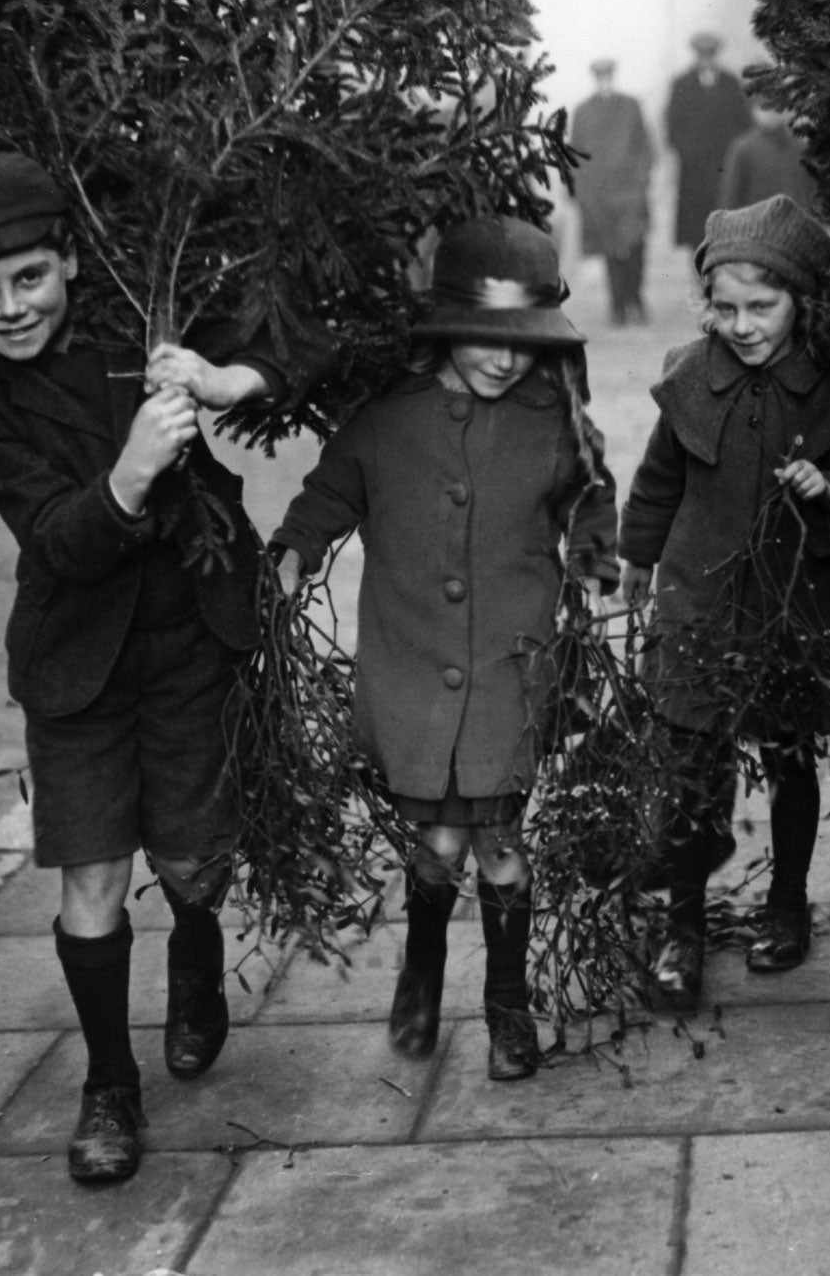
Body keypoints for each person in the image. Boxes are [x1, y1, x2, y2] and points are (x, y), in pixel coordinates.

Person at [0, 151, 322, 1184]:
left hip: (192, 632)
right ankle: (109, 1082)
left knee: (195, 855)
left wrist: (229, 378)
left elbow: (290, 339)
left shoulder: (142, 324)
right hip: (78, 663)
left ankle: (196, 951)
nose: (10, 306)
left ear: (68, 261)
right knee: (94, 869)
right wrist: (132, 472)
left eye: (29, 276)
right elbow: (59, 539)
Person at [271, 218, 618, 1082]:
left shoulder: (551, 419)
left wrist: (595, 554)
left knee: (499, 837)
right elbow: (327, 494)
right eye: (485, 340)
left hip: (513, 663)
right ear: (441, 327)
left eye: (523, 344)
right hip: (414, 659)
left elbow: (590, 498)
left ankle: (506, 1005)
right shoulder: (389, 416)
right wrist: (293, 553)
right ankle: (421, 973)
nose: (505, 360)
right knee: (436, 842)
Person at [617, 195, 830, 1008]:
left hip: (793, 604)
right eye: (726, 308)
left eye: (762, 307)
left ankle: (787, 903)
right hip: (701, 602)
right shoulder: (689, 377)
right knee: (691, 770)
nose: (741, 325)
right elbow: (659, 481)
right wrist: (638, 558)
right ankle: (682, 924)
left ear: (802, 303)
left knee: (788, 755)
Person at [569, 59, 655, 326]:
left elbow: (645, 146)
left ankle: (635, 298)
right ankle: (618, 305)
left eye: (608, 77)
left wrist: (642, 179)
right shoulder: (583, 111)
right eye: (600, 78)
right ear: (595, 80)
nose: (605, 82)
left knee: (636, 246)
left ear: (613, 77)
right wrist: (580, 190)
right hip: (600, 194)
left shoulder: (630, 106)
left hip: (630, 191)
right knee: (610, 250)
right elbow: (575, 154)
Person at [666, 32, 753, 255]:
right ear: (695, 56)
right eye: (701, 56)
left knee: (726, 226)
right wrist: (689, 152)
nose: (706, 61)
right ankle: (700, 279)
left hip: (726, 169)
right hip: (694, 173)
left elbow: (745, 124)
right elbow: (672, 129)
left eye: (710, 55)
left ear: (716, 56)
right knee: (696, 233)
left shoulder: (730, 83)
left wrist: (734, 155)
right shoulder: (681, 84)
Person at [718, 100, 816, 211]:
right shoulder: (743, 150)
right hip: (757, 226)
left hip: (798, 225)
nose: (772, 112)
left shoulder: (801, 148)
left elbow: (815, 197)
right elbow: (729, 203)